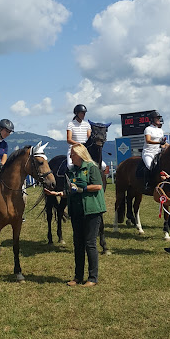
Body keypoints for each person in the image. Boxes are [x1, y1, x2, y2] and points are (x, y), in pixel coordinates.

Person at [45, 143, 106, 287]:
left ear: (79, 155)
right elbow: (70, 191)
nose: (70, 156)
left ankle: (92, 277)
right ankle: (78, 277)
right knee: (78, 244)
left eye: (72, 154)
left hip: (91, 211)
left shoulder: (91, 168)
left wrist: (82, 188)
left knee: (90, 244)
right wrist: (59, 193)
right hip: (76, 211)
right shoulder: (72, 171)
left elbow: (98, 186)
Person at [142, 110, 169, 190]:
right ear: (152, 119)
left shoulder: (160, 130)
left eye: (159, 118)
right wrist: (159, 142)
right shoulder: (148, 129)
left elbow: (163, 143)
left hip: (158, 152)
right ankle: (147, 183)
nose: (158, 120)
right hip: (148, 152)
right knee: (150, 166)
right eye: (156, 118)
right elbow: (148, 140)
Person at [66, 104, 91, 170]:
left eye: (84, 113)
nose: (84, 115)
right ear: (76, 113)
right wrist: (79, 144)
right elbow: (69, 139)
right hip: (74, 149)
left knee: (103, 165)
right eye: (82, 113)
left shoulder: (87, 124)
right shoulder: (71, 124)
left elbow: (89, 138)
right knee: (70, 166)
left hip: (85, 149)